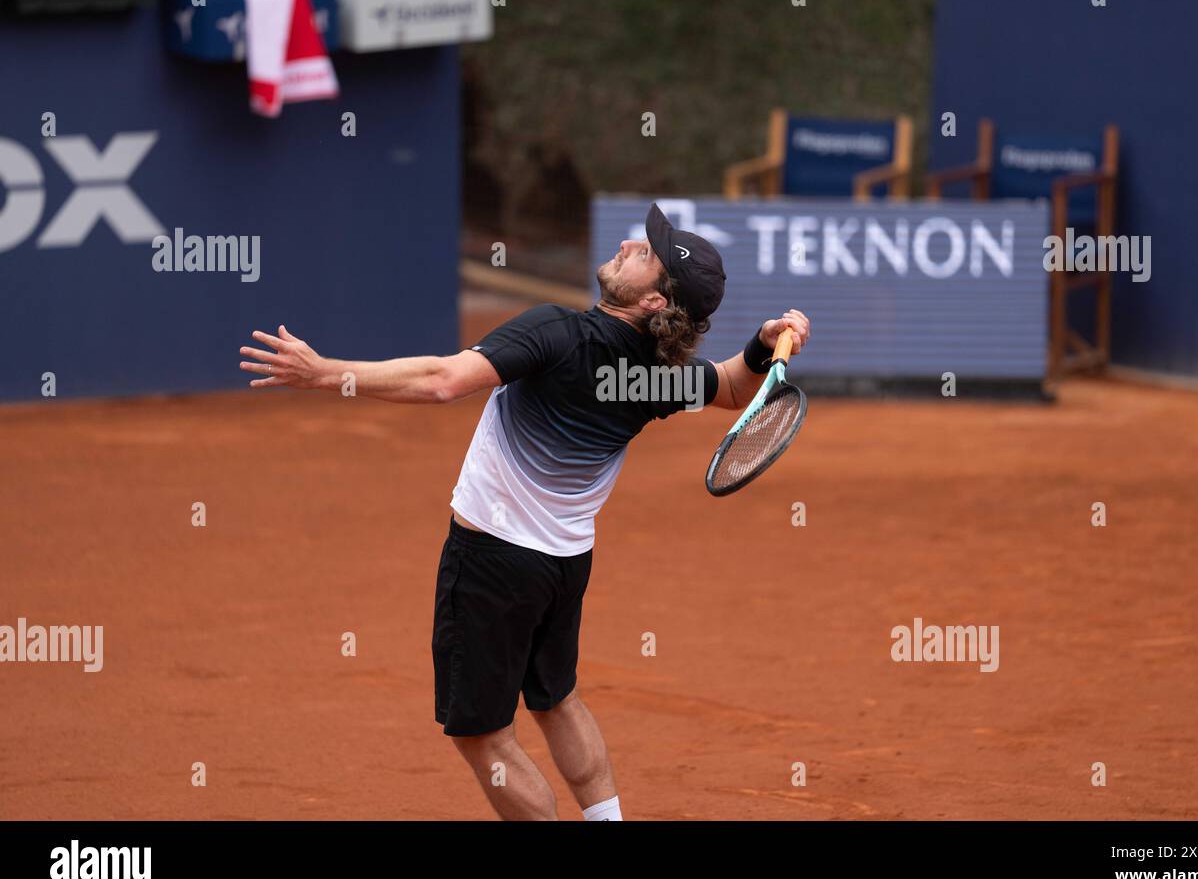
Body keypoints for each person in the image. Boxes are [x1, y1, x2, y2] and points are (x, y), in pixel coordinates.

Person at [239, 203, 810, 819]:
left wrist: (326, 373)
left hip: (493, 564)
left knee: (483, 736)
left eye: (644, 254)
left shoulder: (555, 333)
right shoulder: (652, 377)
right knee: (557, 701)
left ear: (652, 303)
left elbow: (442, 381)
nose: (626, 245)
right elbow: (729, 387)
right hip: (563, 567)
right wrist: (759, 347)